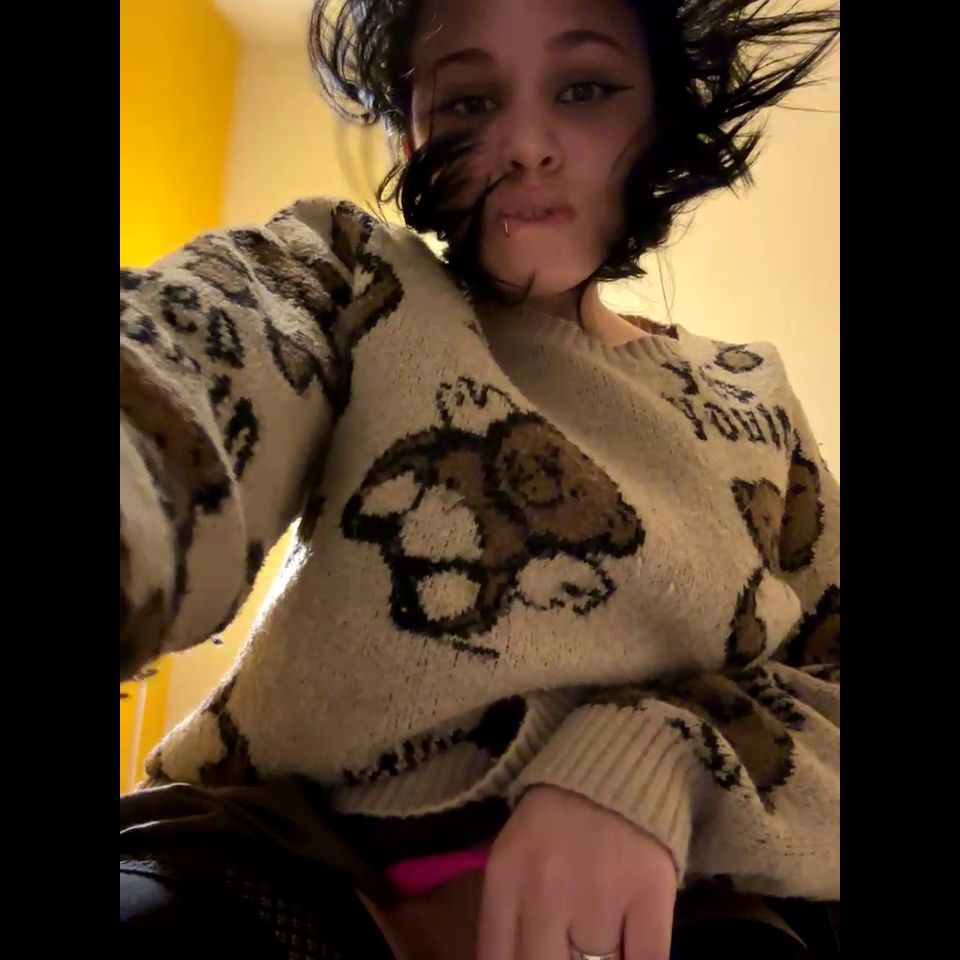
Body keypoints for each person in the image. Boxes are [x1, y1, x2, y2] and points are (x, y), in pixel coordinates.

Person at [119, 1, 841, 958]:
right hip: (276, 879)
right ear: (410, 133)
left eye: (585, 89)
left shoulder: (754, 398)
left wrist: (662, 754)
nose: (527, 144)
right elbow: (192, 360)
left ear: (662, 114)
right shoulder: (352, 278)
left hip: (682, 915)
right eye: (468, 101)